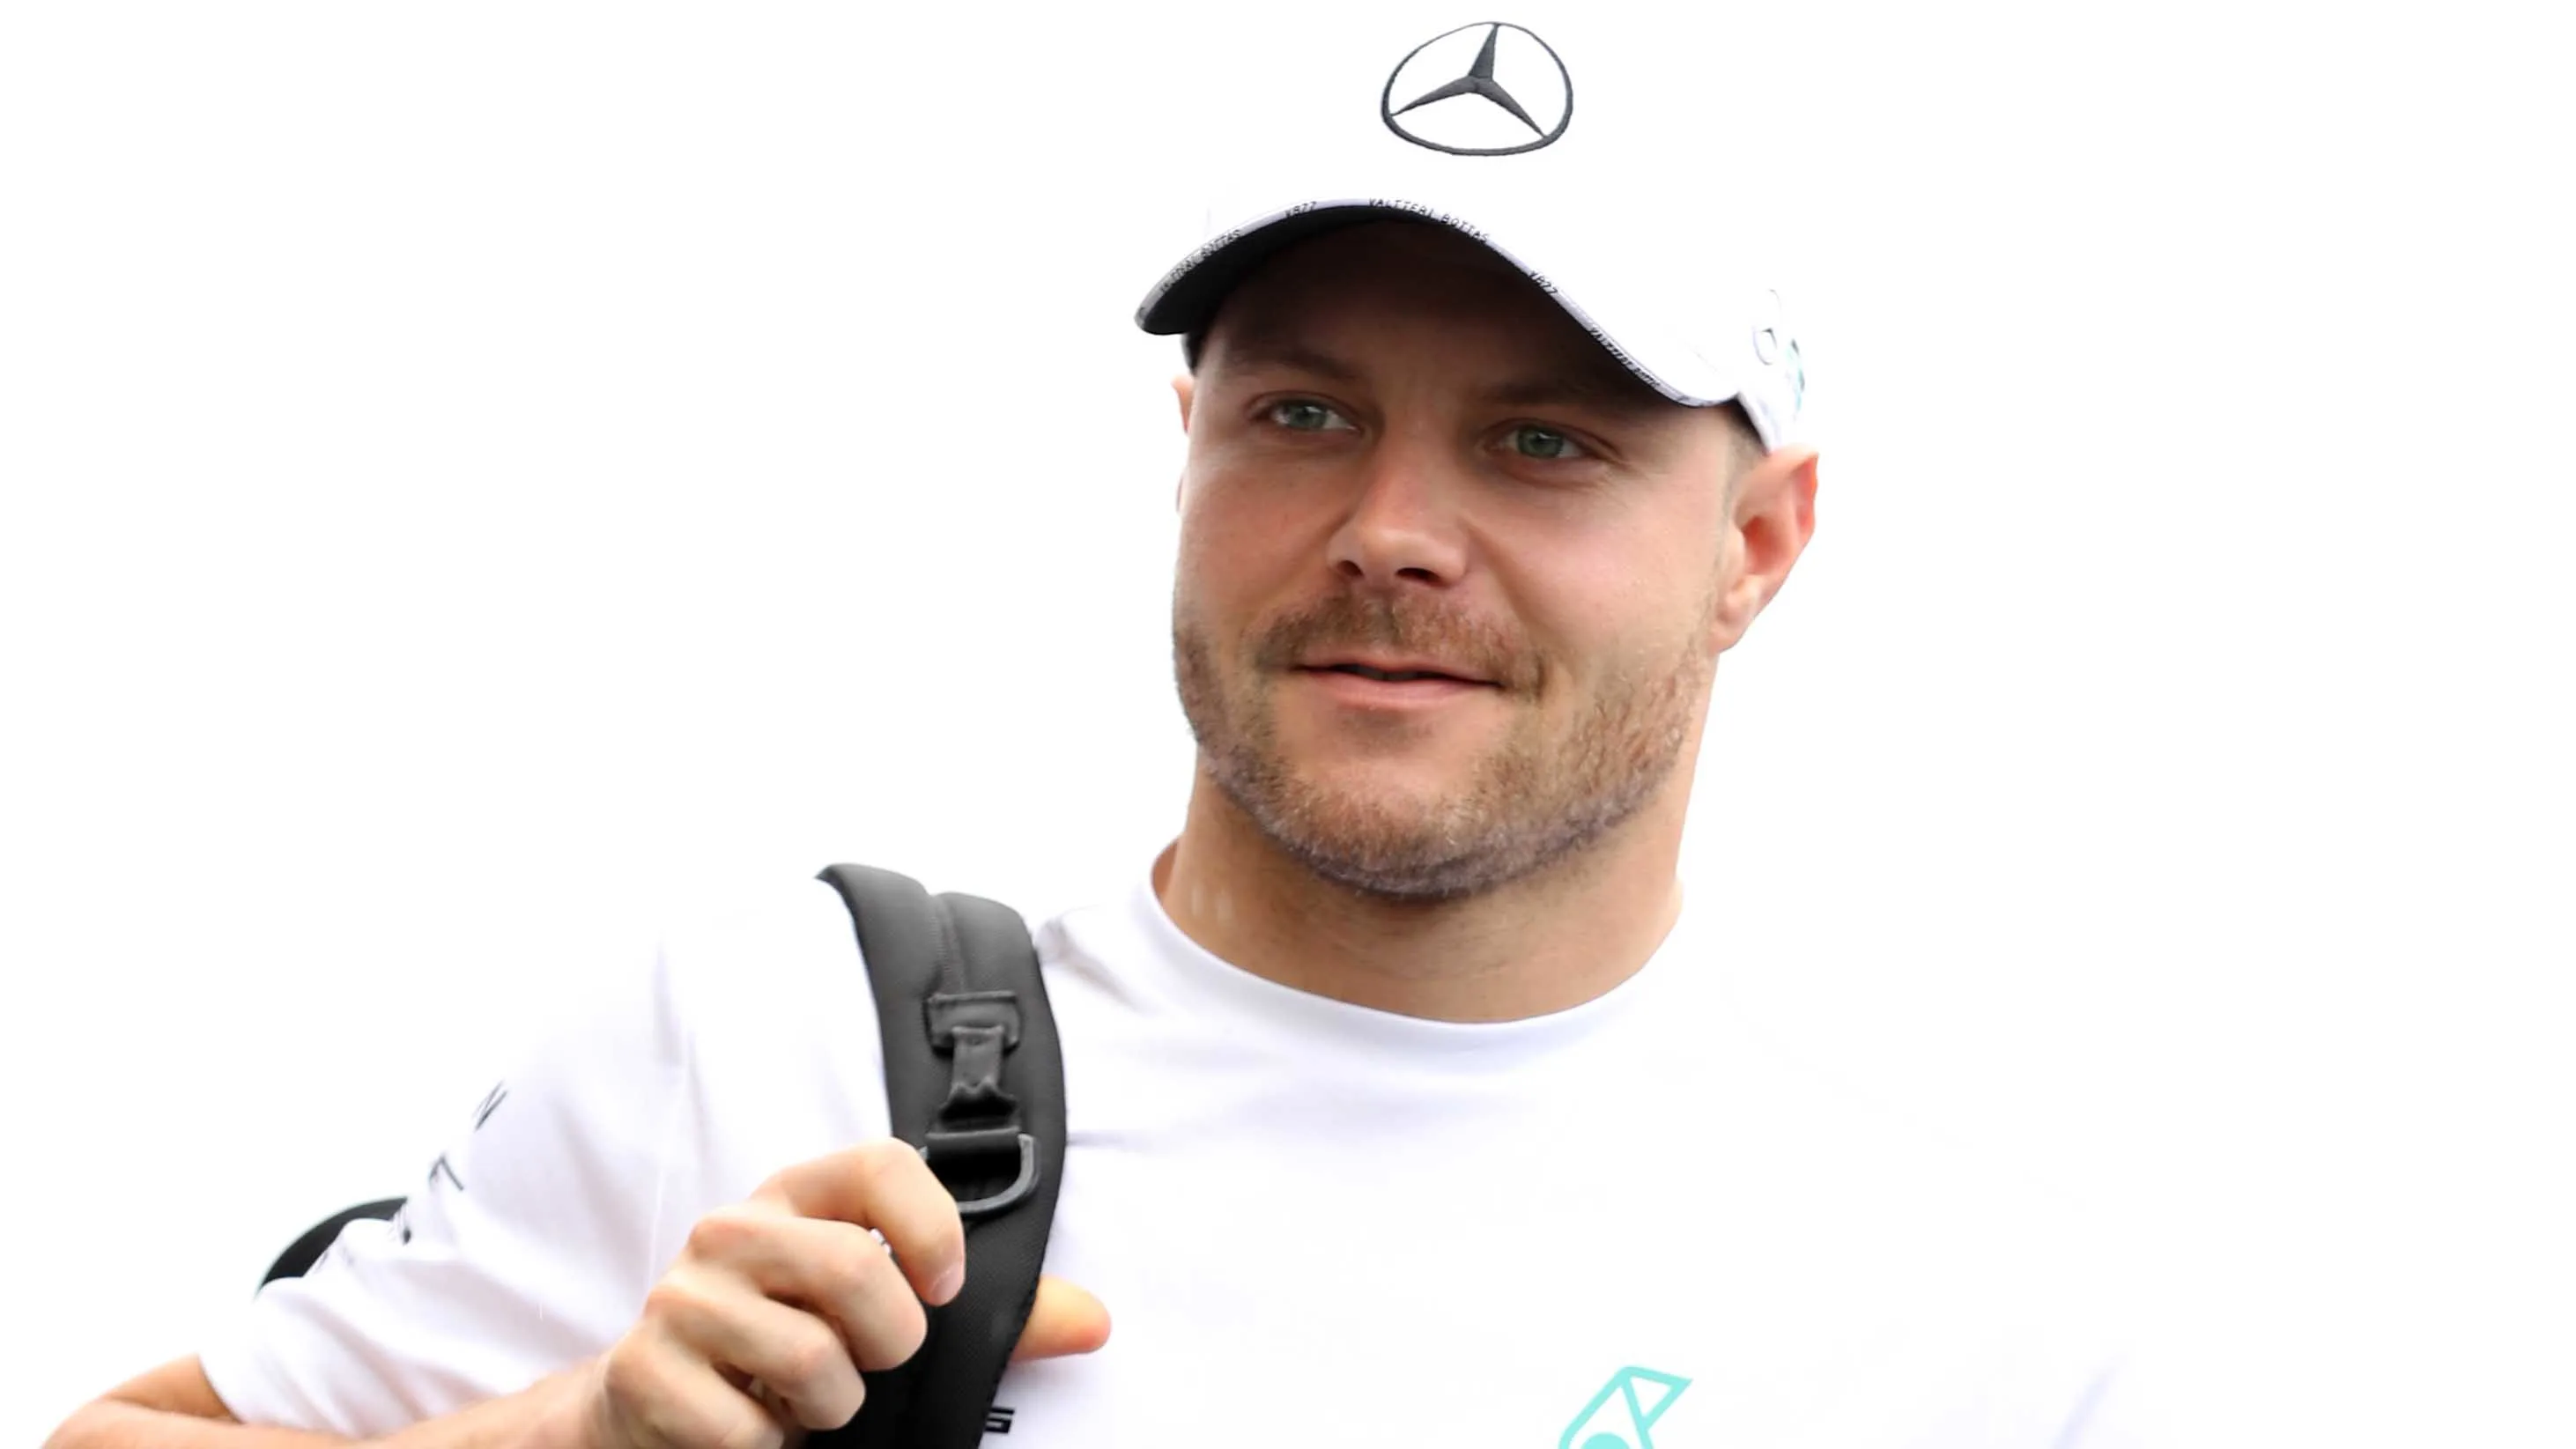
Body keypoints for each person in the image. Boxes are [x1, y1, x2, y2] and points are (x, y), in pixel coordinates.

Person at [48, 12, 2143, 1449]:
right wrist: (580, 1425)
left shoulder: (1984, 1314)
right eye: (1302, 414)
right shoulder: (770, 1036)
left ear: (1758, 545)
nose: (1392, 533)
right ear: (1186, 448)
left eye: (1541, 443)